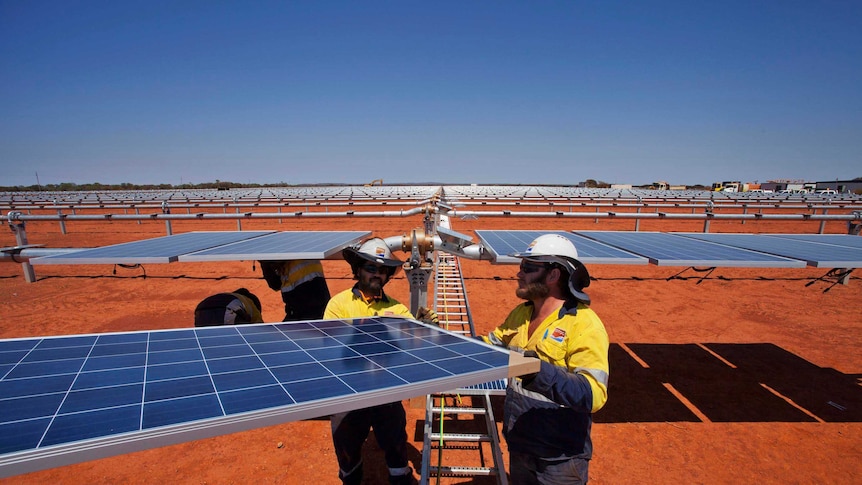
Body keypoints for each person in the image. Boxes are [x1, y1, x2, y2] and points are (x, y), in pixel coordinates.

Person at [482, 234, 609, 484]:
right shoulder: (521, 313)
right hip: (520, 444)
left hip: (559, 458)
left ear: (553, 275)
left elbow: (593, 394)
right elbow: (488, 348)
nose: (519, 274)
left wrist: (538, 372)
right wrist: (439, 338)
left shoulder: (584, 324)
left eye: (528, 268)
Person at [323, 237, 437, 485]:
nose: (377, 274)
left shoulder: (397, 309)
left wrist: (423, 331)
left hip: (387, 392)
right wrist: (374, 330)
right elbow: (331, 348)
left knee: (396, 449)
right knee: (347, 454)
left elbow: (414, 348)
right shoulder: (338, 305)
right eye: (371, 268)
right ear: (358, 270)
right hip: (349, 394)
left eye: (382, 270)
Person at [259, 259, 330, 321]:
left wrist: (266, 262)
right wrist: (265, 264)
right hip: (297, 304)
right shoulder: (283, 267)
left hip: (310, 293)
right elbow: (275, 284)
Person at [194, 288, 264, 327]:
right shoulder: (252, 305)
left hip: (201, 310)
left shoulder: (236, 297)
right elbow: (259, 328)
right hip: (227, 310)